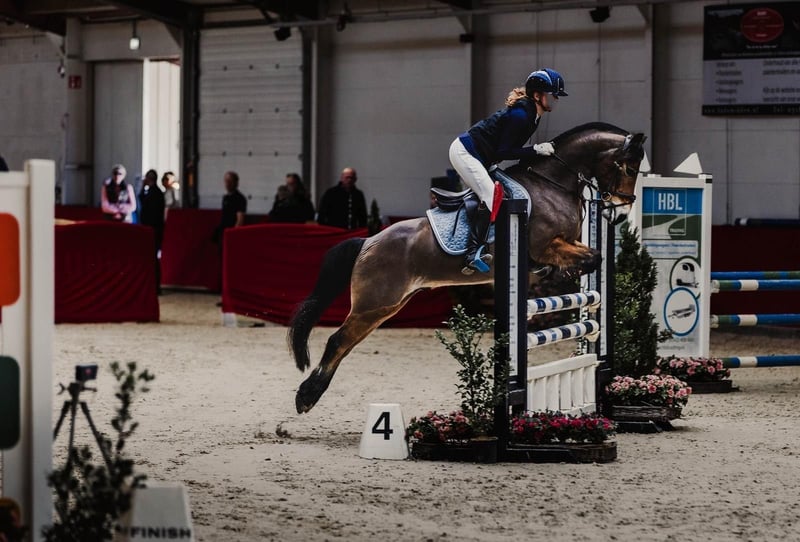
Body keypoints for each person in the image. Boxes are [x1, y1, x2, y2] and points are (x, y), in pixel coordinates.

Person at [449, 68, 567, 275]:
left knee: (515, 193)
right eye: (552, 95)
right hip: (466, 153)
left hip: (485, 158)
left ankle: (527, 255)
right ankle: (472, 253)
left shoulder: (533, 115)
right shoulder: (521, 116)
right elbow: (503, 151)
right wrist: (535, 150)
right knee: (491, 196)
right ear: (537, 96)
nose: (555, 99)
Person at [138, 169, 166, 294]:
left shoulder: (156, 193)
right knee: (151, 258)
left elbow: (152, 213)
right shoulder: (151, 192)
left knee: (153, 258)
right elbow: (142, 199)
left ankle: (156, 286)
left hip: (153, 230)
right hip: (152, 230)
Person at [214, 170, 247, 242]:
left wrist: (234, 234)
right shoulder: (225, 198)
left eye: (230, 181)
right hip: (223, 231)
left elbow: (240, 220)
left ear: (236, 183)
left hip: (231, 232)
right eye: (226, 181)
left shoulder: (240, 198)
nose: (227, 184)